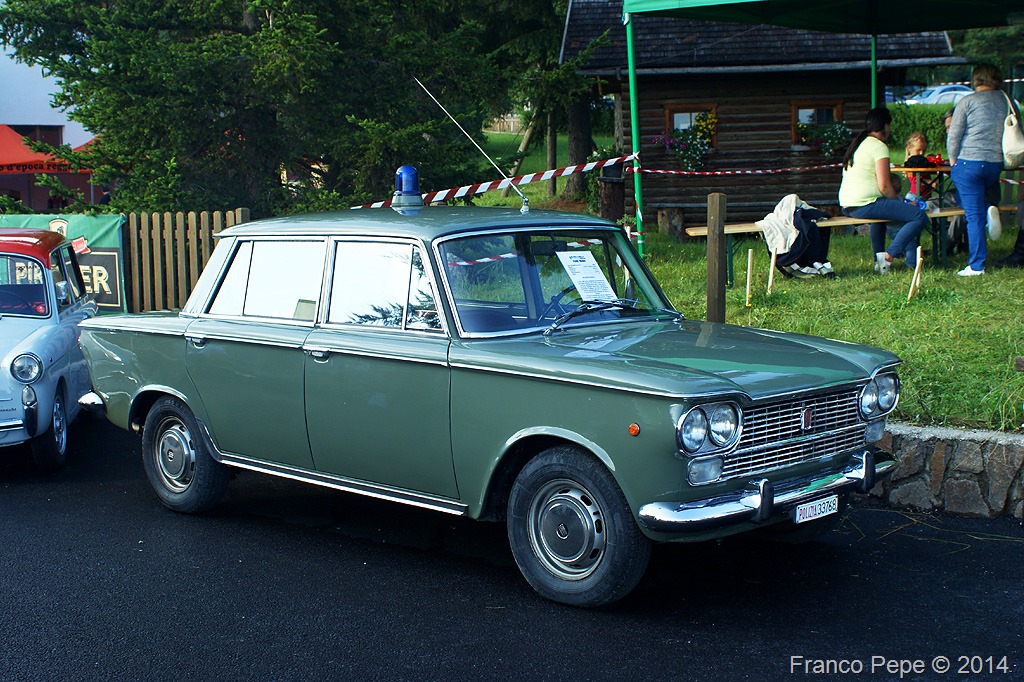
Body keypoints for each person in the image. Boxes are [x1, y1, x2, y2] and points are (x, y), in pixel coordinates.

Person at [947, 63, 1021, 275]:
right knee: (978, 204)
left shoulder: (967, 101)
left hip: (969, 163)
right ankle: (989, 206)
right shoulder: (1007, 101)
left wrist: (953, 161)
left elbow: (954, 135)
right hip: (995, 164)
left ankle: (977, 265)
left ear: (976, 79)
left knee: (972, 215)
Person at [838, 106, 928, 274]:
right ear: (886, 126)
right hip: (865, 203)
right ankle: (889, 256)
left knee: (881, 217)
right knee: (919, 216)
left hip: (847, 204)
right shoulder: (879, 146)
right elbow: (885, 186)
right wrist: (900, 203)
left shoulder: (860, 143)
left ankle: (878, 263)